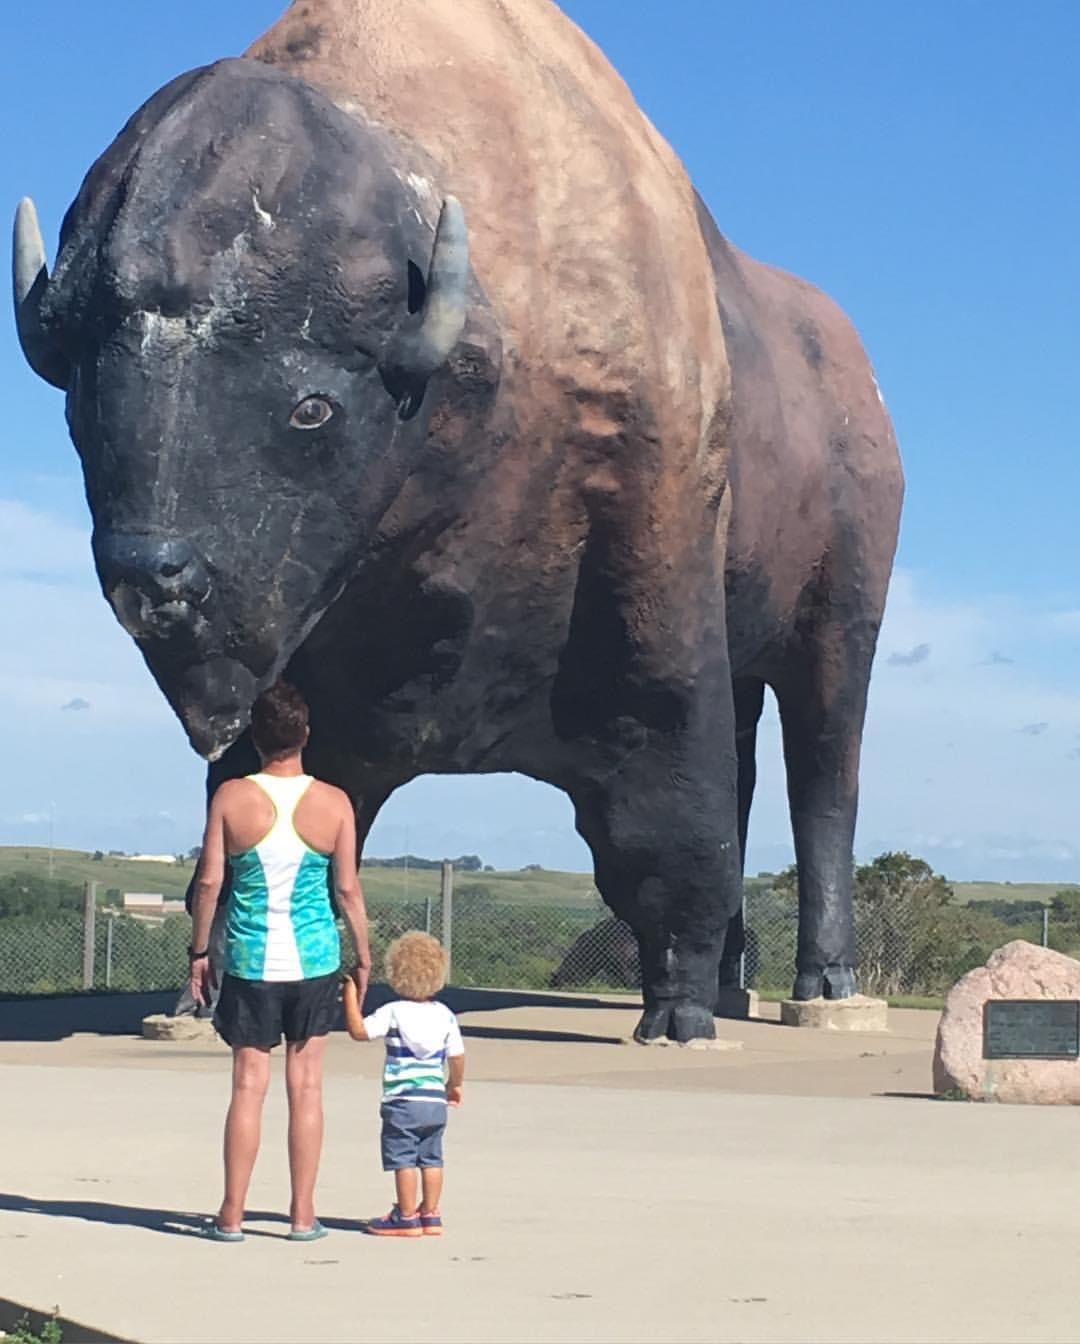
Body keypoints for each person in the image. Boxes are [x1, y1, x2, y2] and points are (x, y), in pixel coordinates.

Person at [189, 680, 371, 1242]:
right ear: (305, 735)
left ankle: (232, 1215)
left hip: (248, 960)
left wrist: (199, 953)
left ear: (256, 736)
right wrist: (363, 954)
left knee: (248, 1085)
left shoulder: (232, 798)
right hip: (315, 962)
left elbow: (211, 881)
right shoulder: (334, 803)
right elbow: (347, 890)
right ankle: (302, 1215)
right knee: (307, 1086)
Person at [341, 931, 465, 1237]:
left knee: (404, 1158)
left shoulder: (393, 1012)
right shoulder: (445, 1015)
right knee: (432, 1156)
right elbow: (458, 1056)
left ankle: (406, 1215)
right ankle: (431, 1213)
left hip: (402, 1100)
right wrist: (454, 1085)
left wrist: (350, 997)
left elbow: (359, 1031)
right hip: (434, 1101)